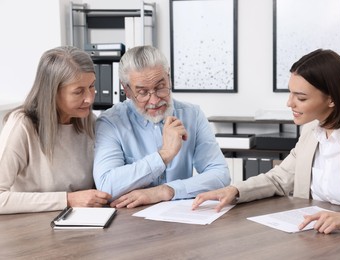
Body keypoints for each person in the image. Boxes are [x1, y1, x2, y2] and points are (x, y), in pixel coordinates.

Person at [192, 49, 340, 233]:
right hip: (317, 233)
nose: (289, 103)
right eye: (290, 93)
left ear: (332, 100)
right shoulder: (311, 132)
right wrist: (234, 190)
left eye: (301, 98)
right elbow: (279, 179)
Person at [93, 45, 230, 208]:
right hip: (129, 222)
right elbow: (106, 186)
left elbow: (220, 175)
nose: (155, 100)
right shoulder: (110, 122)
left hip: (180, 216)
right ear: (127, 90)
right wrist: (164, 155)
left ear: (169, 77)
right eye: (143, 92)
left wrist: (167, 191)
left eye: (160, 87)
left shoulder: (192, 115)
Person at [0, 46, 112, 214]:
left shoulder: (90, 122)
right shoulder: (22, 126)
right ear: (52, 92)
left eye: (91, 86)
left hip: (80, 225)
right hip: (28, 230)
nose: (89, 98)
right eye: (78, 91)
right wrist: (67, 200)